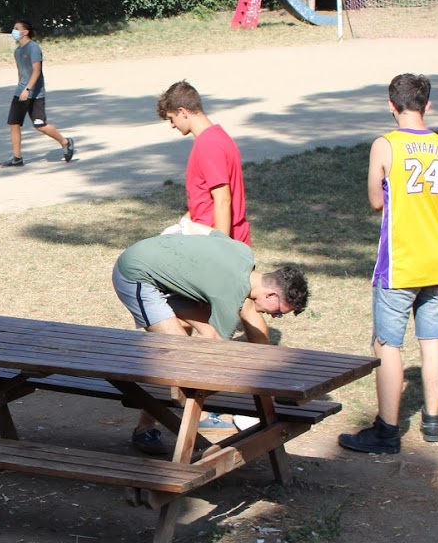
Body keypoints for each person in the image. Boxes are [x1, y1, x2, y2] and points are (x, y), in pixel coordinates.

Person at [339, 73, 438, 454]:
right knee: (432, 337)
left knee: (387, 343)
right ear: (428, 105)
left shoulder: (386, 145)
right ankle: (433, 421)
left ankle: (387, 431)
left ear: (391, 105)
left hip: (401, 262)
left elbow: (377, 201)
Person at [112, 231, 310, 456]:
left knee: (204, 334)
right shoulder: (229, 295)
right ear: (271, 294)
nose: (274, 317)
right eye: (280, 312)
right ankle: (149, 428)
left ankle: (159, 423)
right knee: (180, 352)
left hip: (157, 268)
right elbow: (216, 351)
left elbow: (213, 235)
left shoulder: (244, 254)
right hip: (135, 275)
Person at [156, 79, 268, 432]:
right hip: (222, 241)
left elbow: (222, 199)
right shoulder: (220, 138)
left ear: (183, 111)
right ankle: (265, 389)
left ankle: (189, 406)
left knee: (182, 321)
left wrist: (219, 249)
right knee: (245, 312)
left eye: (172, 119)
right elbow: (207, 199)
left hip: (216, 247)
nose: (172, 126)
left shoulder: (207, 145)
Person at [0, 19, 75, 167]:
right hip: (20, 92)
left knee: (40, 125)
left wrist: (28, 89)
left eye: (16, 29)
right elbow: (22, 73)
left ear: (25, 32)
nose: (14, 31)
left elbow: (37, 70)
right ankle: (17, 158)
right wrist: (21, 89)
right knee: (14, 124)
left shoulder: (33, 48)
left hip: (35, 94)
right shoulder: (18, 51)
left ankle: (65, 142)